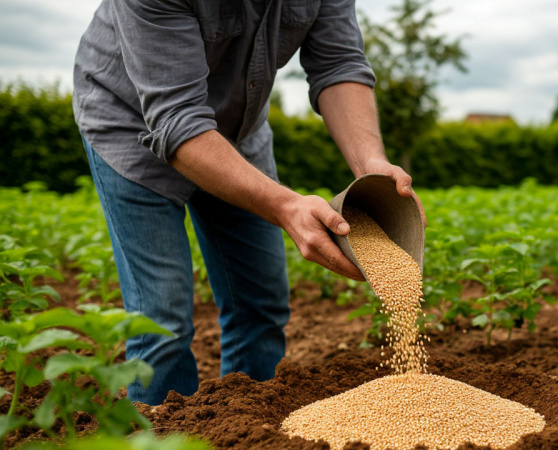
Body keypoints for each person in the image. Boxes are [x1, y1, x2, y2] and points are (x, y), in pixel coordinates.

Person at [73, 0, 424, 406]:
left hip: (239, 127)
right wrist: (286, 206)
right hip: (132, 124)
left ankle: (247, 425)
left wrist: (372, 165)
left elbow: (338, 65)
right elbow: (177, 118)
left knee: (260, 306)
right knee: (162, 321)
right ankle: (165, 436)